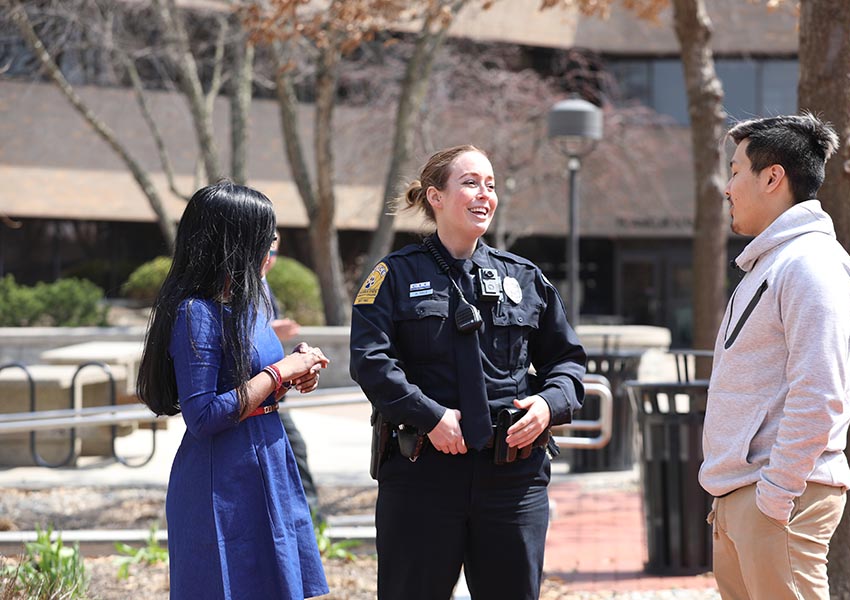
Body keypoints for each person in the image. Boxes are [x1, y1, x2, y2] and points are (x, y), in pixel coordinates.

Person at [349, 145, 586, 599]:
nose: (485, 195)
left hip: (513, 481)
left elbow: (567, 362)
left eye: (491, 185)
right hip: (423, 476)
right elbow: (370, 361)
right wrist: (430, 416)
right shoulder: (394, 276)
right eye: (471, 183)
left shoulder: (523, 277)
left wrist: (547, 404)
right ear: (435, 197)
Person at [136, 181, 330, 600]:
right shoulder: (196, 313)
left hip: (270, 459)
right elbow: (203, 416)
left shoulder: (255, 298)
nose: (271, 247)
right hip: (221, 478)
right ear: (234, 240)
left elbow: (257, 377)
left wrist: (298, 374)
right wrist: (280, 373)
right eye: (265, 236)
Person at [699, 114, 850, 599]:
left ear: (772, 177)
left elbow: (821, 392)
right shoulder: (771, 261)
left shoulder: (811, 263)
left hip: (778, 499)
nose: (727, 187)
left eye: (735, 171)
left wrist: (774, 494)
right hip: (745, 497)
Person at [262, 232, 320, 514]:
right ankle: (309, 514)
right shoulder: (242, 288)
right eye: (265, 252)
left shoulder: (264, 286)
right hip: (256, 395)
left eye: (274, 254)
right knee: (293, 451)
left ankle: (306, 515)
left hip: (274, 390)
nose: (269, 261)